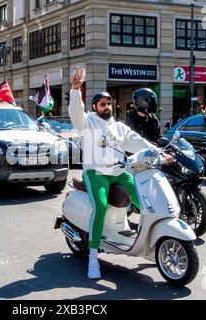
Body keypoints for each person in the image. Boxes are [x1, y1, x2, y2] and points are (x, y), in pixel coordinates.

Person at [68, 67, 171, 280]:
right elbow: (76, 113)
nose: (107, 106)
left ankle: (149, 246)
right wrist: (76, 90)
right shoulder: (87, 123)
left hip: (119, 172)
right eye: (102, 104)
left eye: (109, 103)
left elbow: (138, 141)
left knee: (145, 199)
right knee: (101, 206)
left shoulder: (119, 127)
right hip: (96, 173)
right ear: (95, 107)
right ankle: (93, 258)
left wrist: (161, 153)